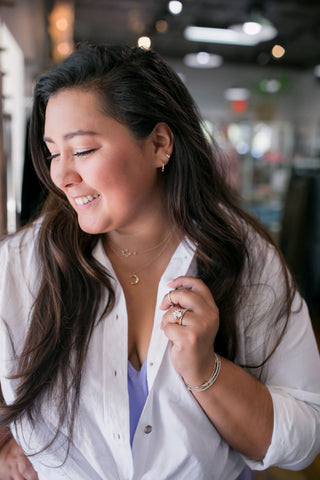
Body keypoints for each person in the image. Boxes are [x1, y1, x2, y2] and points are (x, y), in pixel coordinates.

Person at [0, 43, 319, 480]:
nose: (60, 175)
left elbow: (301, 439)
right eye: (54, 151)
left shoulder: (245, 259)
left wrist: (206, 370)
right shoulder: (20, 266)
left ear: (159, 143)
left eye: (84, 150)